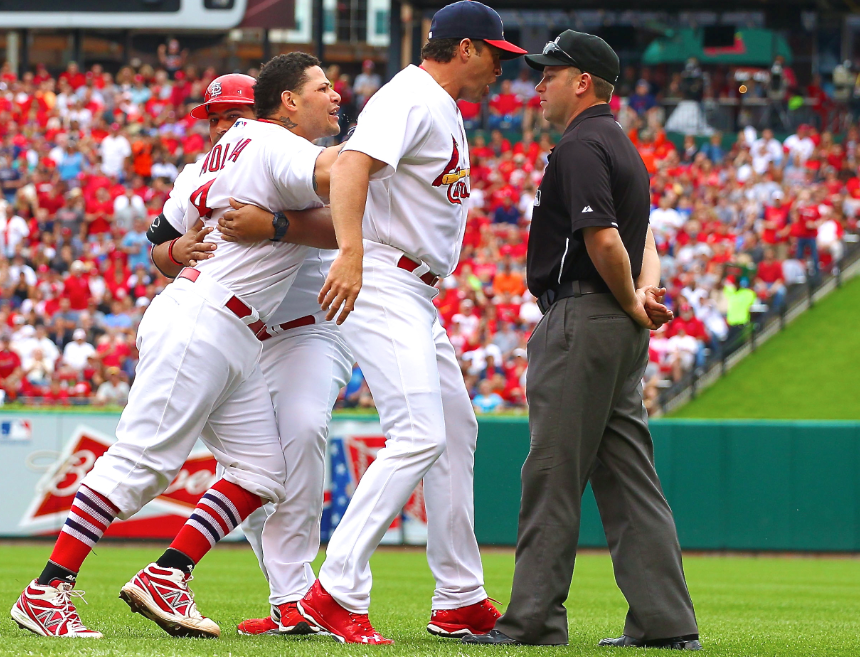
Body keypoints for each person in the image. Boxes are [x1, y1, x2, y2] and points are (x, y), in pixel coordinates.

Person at [10, 52, 342, 640]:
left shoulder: (229, 150)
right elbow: (337, 177)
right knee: (141, 461)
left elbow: (175, 233)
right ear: (284, 103)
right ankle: (46, 590)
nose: (333, 95)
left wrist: (182, 246)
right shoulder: (271, 141)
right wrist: (395, 146)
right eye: (321, 87)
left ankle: (169, 575)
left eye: (226, 113)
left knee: (262, 472)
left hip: (233, 328)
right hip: (206, 319)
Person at [464, 30, 700, 650]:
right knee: (629, 479)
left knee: (552, 473)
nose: (539, 84)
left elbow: (601, 239)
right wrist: (642, 297)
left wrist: (628, 300)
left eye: (551, 73)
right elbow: (639, 241)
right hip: (615, 325)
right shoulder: (621, 144)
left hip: (584, 319)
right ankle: (665, 623)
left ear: (583, 82)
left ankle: (534, 622)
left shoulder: (580, 145)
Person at [304, 0, 526, 645]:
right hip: (383, 276)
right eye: (496, 56)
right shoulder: (411, 94)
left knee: (455, 429)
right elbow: (350, 165)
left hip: (415, 290)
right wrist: (349, 252)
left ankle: (459, 595)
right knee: (419, 433)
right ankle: (334, 588)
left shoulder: (440, 105)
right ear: (465, 49)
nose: (500, 71)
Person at [152, 73, 356, 637]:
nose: (221, 126)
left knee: (303, 431)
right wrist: (175, 248)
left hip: (307, 327)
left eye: (231, 113)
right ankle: (287, 598)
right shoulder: (199, 173)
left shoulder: (293, 154)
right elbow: (159, 254)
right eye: (214, 117)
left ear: (266, 112)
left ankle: (297, 595)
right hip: (239, 330)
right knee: (253, 471)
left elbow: (352, 224)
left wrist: (275, 225)